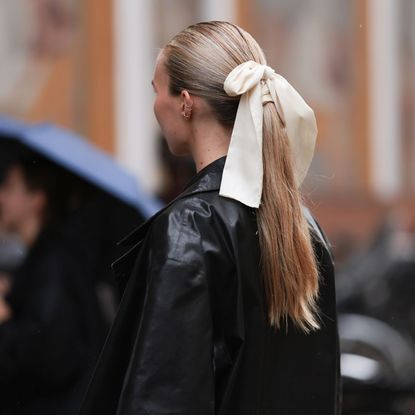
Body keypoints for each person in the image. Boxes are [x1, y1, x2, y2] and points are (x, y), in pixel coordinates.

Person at [81, 21, 340, 414]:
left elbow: (165, 394)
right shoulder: (304, 227)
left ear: (186, 102)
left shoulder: (192, 225)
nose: (154, 105)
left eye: (156, 90)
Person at [0, 152, 106, 414]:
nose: (1, 197)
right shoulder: (46, 257)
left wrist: (4, 319)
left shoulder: (54, 261)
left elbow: (50, 353)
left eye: (10, 188)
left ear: (37, 200)